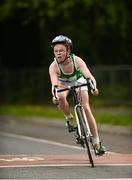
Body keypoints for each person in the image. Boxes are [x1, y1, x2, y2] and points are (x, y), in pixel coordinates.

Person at [49, 35, 105, 156]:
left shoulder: (77, 61)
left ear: (68, 51)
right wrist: (54, 96)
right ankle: (69, 118)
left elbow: (89, 76)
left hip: (79, 81)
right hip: (62, 83)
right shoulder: (53, 66)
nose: (58, 53)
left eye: (61, 51)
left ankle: (96, 143)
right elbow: (54, 85)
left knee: (86, 107)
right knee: (60, 97)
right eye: (56, 51)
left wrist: (94, 88)